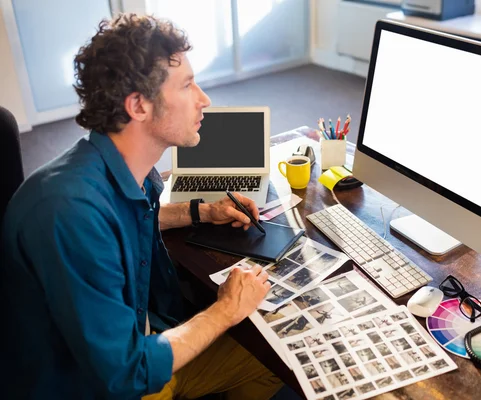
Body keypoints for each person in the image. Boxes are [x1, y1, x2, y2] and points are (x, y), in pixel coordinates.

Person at [0, 14, 283, 399]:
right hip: (94, 385)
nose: (204, 99)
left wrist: (200, 211)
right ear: (138, 106)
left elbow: (124, 219)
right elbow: (125, 374)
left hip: (141, 340)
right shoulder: (67, 211)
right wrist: (225, 310)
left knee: (274, 360)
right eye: (186, 85)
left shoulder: (125, 171)